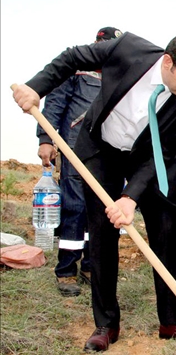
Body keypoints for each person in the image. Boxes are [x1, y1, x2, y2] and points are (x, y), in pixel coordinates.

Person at [13, 32, 176, 352]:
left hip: (148, 160)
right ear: (168, 62)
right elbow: (72, 58)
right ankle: (106, 323)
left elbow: (161, 153)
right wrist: (35, 87)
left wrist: (130, 197)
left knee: (167, 232)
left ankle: (171, 321)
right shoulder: (127, 50)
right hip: (102, 150)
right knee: (103, 234)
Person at [37, 27, 122, 297]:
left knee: (98, 213)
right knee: (75, 208)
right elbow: (55, 105)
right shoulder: (76, 69)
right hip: (75, 149)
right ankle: (66, 270)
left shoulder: (118, 75)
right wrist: (45, 140)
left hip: (106, 153)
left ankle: (90, 265)